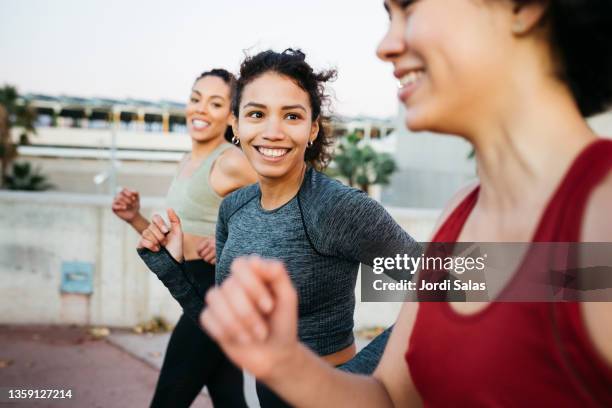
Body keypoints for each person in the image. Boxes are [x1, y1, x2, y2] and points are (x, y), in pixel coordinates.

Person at [199, 0, 612, 406]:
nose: (385, 45)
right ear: (235, 126)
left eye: (409, 9)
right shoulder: (462, 209)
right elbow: (390, 395)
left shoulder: (601, 212)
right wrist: (284, 364)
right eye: (256, 114)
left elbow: (470, 281)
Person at [137, 49, 422, 407]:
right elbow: (230, 331)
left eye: (291, 116)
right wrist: (172, 265)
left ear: (312, 128)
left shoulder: (335, 208)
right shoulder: (234, 208)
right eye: (257, 114)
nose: (272, 132)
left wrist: (362, 379)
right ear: (237, 126)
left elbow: (457, 285)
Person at [112, 68, 257, 407]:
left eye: (216, 103)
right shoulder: (187, 161)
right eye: (196, 99)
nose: (201, 109)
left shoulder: (230, 160)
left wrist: (233, 246)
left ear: (231, 116)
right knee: (229, 396)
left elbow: (283, 200)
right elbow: (177, 237)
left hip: (216, 289)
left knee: (168, 398)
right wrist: (135, 218)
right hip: (192, 282)